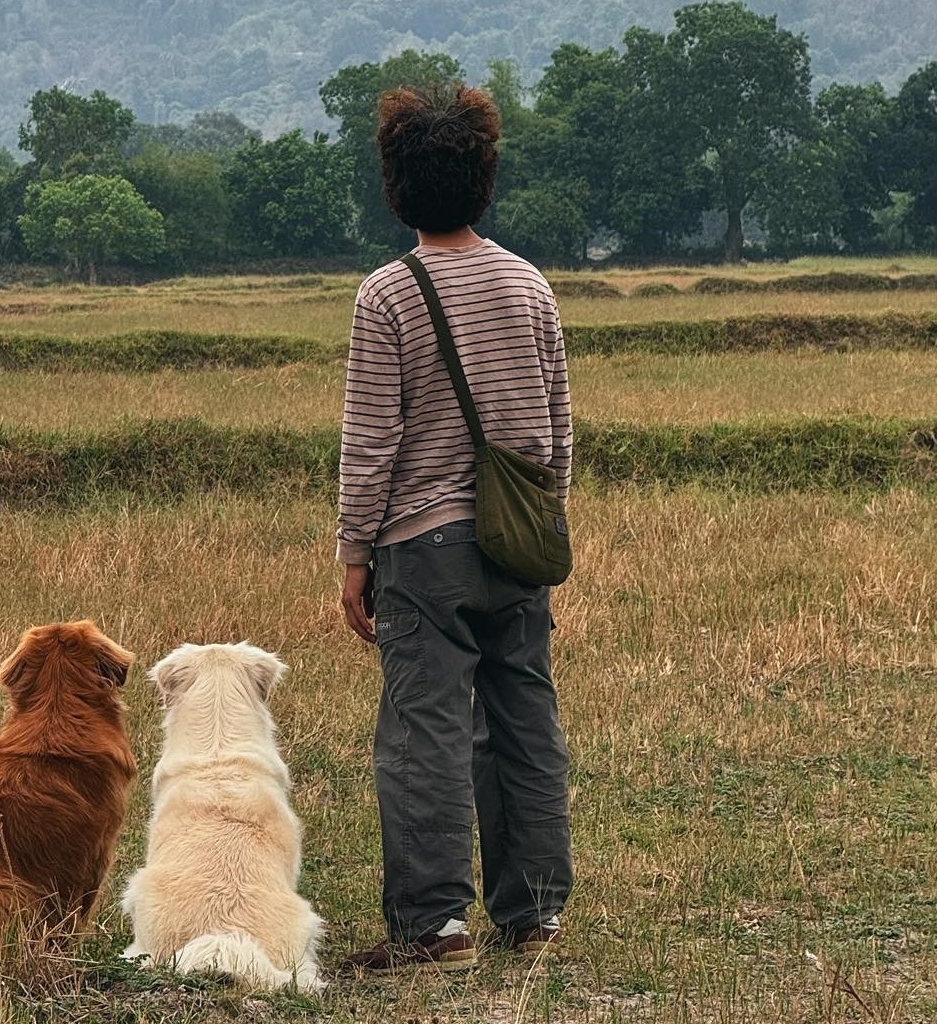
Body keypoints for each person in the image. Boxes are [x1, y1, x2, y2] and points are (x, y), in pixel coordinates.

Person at [336, 83, 574, 973]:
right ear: (485, 180)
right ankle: (535, 917)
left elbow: (372, 440)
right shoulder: (530, 284)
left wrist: (354, 553)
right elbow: (556, 428)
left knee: (424, 731)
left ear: (397, 186)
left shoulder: (387, 295)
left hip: (420, 548)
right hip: (517, 543)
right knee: (524, 721)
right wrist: (540, 525)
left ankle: (434, 927)